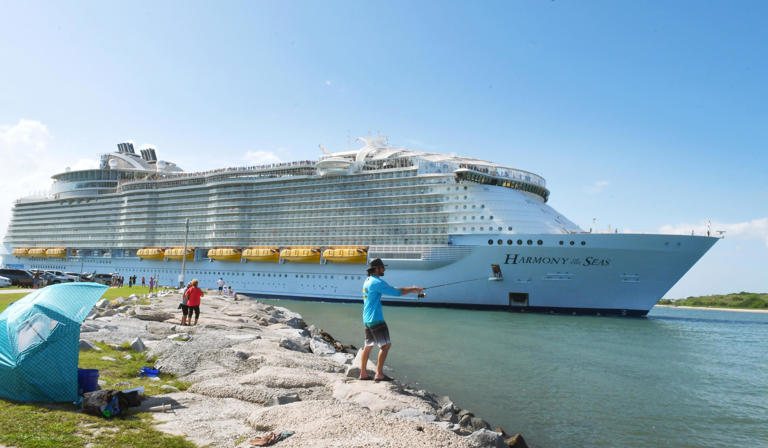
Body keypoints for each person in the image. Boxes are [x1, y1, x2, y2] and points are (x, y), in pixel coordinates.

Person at [358, 258, 423, 382]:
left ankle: (363, 373)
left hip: (367, 318)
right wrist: (414, 289)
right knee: (386, 346)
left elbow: (393, 289)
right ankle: (379, 374)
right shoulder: (377, 282)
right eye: (382, 267)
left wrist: (411, 289)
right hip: (376, 319)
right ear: (377, 269)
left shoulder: (367, 281)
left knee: (368, 345)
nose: (384, 269)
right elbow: (396, 292)